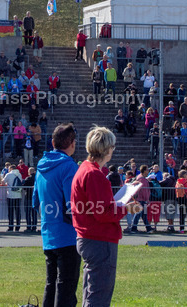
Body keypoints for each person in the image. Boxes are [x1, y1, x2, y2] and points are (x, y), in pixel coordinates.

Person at [71, 126, 141, 307]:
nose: (113, 150)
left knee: (92, 292)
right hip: (99, 240)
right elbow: (103, 213)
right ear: (106, 148)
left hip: (89, 238)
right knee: (98, 297)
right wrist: (128, 209)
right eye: (112, 146)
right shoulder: (95, 174)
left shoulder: (85, 169)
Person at [34, 123, 82, 307]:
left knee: (51, 284)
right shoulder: (69, 166)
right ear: (71, 143)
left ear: (53, 142)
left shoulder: (40, 166)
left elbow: (35, 200)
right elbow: (73, 204)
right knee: (66, 288)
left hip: (48, 234)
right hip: (67, 235)